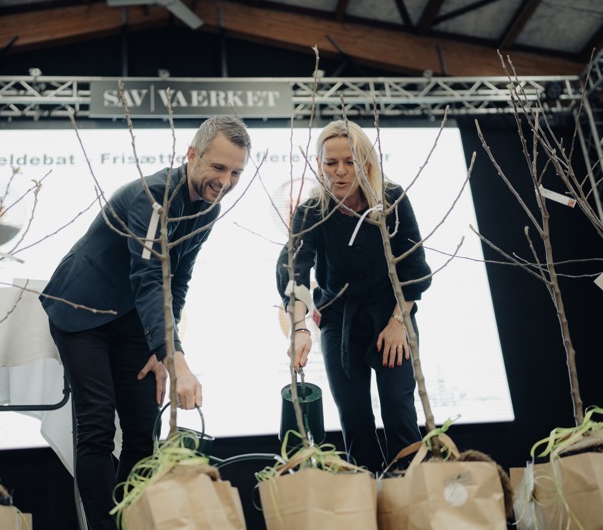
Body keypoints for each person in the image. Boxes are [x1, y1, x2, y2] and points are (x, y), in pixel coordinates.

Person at [40, 116, 251, 530]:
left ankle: (128, 521)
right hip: (82, 311)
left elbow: (178, 280)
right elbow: (150, 276)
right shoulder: (153, 197)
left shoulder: (209, 208)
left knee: (142, 430)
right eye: (218, 167)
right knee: (98, 426)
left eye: (236, 173)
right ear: (192, 154)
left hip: (132, 319)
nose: (225, 181)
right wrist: (175, 359)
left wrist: (160, 349)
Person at [276, 119, 432, 474]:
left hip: (393, 314)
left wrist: (398, 322)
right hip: (339, 320)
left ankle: (410, 491)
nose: (341, 171)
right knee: (353, 414)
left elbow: (413, 268)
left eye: (351, 161)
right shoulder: (311, 212)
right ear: (319, 164)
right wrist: (299, 327)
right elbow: (296, 272)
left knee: (398, 407)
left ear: (367, 162)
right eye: (331, 163)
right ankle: (366, 495)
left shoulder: (392, 200)